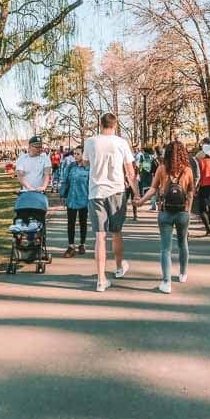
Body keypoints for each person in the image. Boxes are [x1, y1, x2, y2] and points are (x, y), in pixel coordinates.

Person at [83, 112, 140, 292]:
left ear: (100, 124)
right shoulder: (121, 143)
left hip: (96, 191)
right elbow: (130, 172)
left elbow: (85, 163)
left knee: (100, 235)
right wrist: (137, 194)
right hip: (116, 191)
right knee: (116, 231)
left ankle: (101, 279)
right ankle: (118, 267)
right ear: (115, 126)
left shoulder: (90, 142)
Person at [136, 140, 194, 294]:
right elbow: (190, 192)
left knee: (165, 249)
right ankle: (183, 273)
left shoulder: (162, 169)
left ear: (167, 152)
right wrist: (188, 210)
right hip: (182, 212)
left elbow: (153, 189)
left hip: (165, 212)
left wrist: (141, 201)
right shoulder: (188, 170)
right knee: (183, 244)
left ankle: (166, 282)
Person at [59, 146, 90, 257]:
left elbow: (91, 185)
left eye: (78, 154)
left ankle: (82, 244)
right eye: (74, 154)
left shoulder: (89, 168)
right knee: (70, 223)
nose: (75, 156)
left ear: (84, 155)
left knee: (83, 223)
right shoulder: (71, 166)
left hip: (84, 200)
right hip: (71, 199)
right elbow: (65, 181)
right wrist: (62, 195)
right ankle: (71, 246)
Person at [137, 146, 157, 210]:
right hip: (150, 173)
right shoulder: (152, 156)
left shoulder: (142, 156)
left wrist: (139, 173)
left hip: (143, 172)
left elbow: (140, 165)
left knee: (143, 186)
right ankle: (153, 203)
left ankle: (143, 200)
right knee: (152, 187)